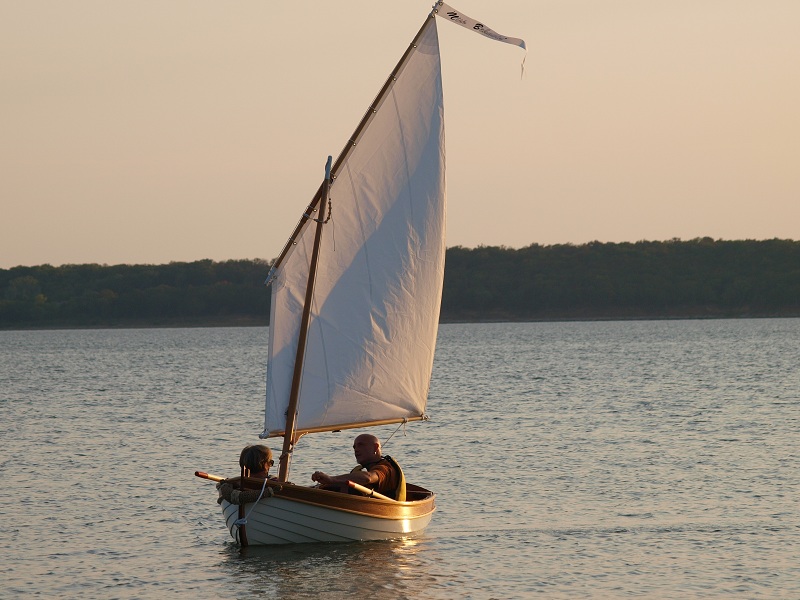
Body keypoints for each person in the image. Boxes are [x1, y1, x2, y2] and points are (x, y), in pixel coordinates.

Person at [311, 433, 406, 501]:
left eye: (361, 445)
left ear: (375, 447)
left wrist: (332, 479)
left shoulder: (385, 468)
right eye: (354, 447)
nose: (356, 450)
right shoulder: (362, 469)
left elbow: (368, 478)